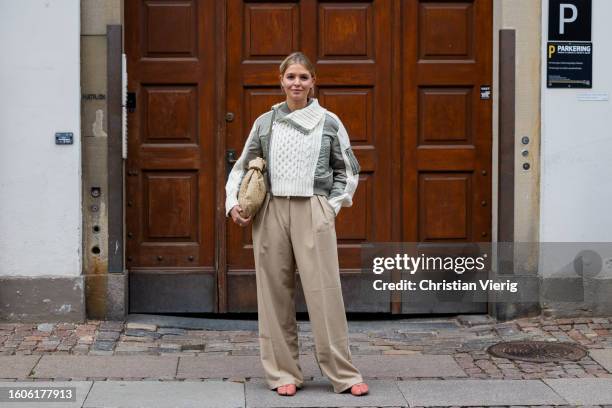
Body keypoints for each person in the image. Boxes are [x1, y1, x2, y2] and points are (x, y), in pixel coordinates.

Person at [225, 52, 369, 397]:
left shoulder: (329, 122)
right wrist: (232, 202)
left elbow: (348, 170)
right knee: (274, 294)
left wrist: (330, 208)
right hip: (271, 211)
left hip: (312, 210)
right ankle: (282, 373)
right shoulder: (265, 122)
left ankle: (343, 374)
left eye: (304, 77)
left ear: (313, 82)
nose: (297, 83)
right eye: (291, 77)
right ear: (281, 81)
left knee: (325, 294)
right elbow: (243, 166)